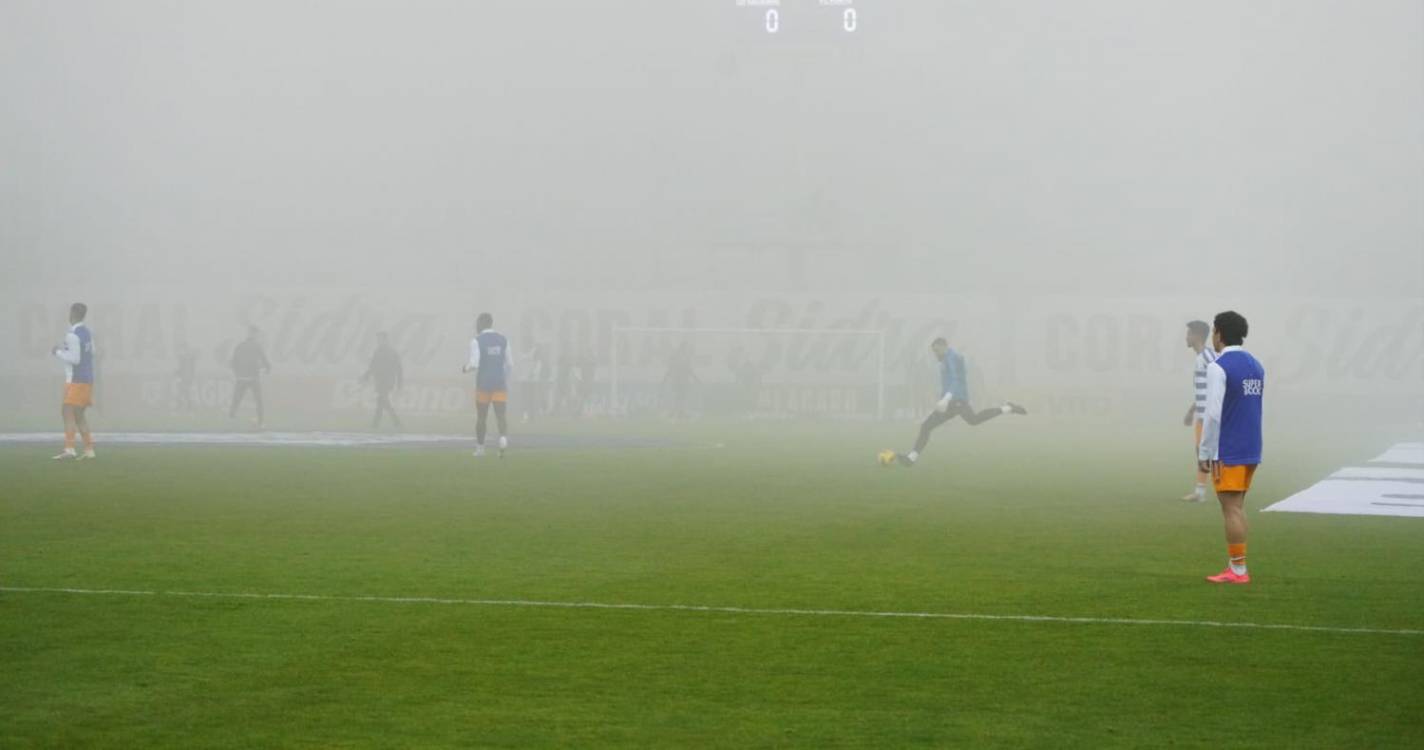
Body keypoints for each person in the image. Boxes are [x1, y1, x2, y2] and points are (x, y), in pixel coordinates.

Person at [1198, 310, 1264, 584]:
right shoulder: (1256, 365)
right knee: (1237, 506)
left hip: (1229, 448)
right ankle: (1236, 565)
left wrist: (1204, 452)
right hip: (1251, 445)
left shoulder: (1219, 366)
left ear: (1219, 333)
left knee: (1231, 508)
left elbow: (1212, 414)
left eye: (1214, 331)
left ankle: (1238, 570)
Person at [893, 337, 1027, 467]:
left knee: (972, 420)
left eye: (937, 350)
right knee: (928, 426)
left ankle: (1008, 408)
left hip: (957, 399)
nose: (936, 354)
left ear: (945, 347)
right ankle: (911, 458)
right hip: (950, 401)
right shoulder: (946, 359)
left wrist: (946, 398)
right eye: (934, 351)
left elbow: (956, 380)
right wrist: (942, 398)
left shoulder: (953, 357)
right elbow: (949, 380)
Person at [51, 302, 96, 460]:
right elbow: (92, 353)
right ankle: (89, 450)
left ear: (72, 314)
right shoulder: (87, 332)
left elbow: (75, 359)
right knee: (77, 415)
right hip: (86, 379)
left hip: (76, 380)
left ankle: (70, 449)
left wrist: (58, 352)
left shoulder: (72, 335)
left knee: (67, 412)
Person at [463, 312, 512, 457]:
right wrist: (504, 378)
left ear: (481, 323)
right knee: (501, 415)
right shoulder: (503, 340)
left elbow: (474, 364)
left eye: (477, 324)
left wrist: (464, 368)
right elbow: (510, 364)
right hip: (499, 384)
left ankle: (480, 449)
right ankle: (502, 440)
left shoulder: (477, 341)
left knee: (481, 417)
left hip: (483, 384)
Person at [1180, 320, 1217, 501]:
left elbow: (1218, 382)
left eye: (1189, 334)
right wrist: (1191, 411)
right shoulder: (1200, 357)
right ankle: (1200, 492)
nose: (1186, 337)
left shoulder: (1208, 357)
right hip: (1202, 416)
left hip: (1211, 416)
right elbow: (1203, 389)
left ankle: (1222, 490)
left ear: (1197, 336)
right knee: (1201, 452)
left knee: (1213, 453)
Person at [229, 325, 272, 427]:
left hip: (242, 377)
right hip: (253, 377)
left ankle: (231, 416)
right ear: (254, 334)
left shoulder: (240, 346)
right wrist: (268, 368)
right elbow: (264, 359)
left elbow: (233, 362)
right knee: (258, 400)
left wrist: (237, 373)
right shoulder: (256, 346)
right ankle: (260, 421)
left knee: (237, 398)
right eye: (256, 333)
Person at [361, 331, 404, 429]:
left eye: (380, 339)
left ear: (385, 339)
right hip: (380, 380)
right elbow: (373, 365)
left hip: (387, 381)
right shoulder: (378, 351)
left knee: (382, 400)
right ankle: (388, 424)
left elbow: (399, 368)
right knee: (381, 401)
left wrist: (399, 384)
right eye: (378, 339)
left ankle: (390, 423)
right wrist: (366, 376)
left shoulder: (392, 352)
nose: (378, 341)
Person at [173, 341, 197, 411]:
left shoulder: (187, 358)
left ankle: (187, 408)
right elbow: (181, 369)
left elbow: (190, 369)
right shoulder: (182, 358)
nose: (181, 350)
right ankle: (181, 407)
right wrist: (177, 374)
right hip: (183, 378)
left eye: (182, 348)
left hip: (186, 379)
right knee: (182, 393)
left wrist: (190, 378)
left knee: (185, 393)